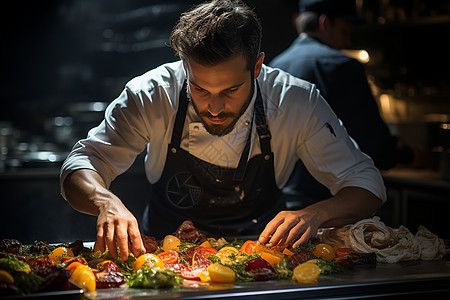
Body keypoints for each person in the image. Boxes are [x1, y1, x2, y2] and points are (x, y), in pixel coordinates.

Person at [60, 0, 386, 261]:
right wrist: (105, 201)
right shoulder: (151, 93)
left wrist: (317, 214)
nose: (214, 108)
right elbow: (80, 165)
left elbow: (368, 185)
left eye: (230, 90)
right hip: (162, 258)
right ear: (185, 67)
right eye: (200, 89)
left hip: (261, 261)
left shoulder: (295, 101)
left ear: (257, 67)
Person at [270, 0, 410, 206]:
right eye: (345, 32)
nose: (347, 42)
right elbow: (375, 145)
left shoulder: (274, 66)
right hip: (330, 203)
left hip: (282, 202)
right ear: (325, 23)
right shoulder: (342, 66)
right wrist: (406, 155)